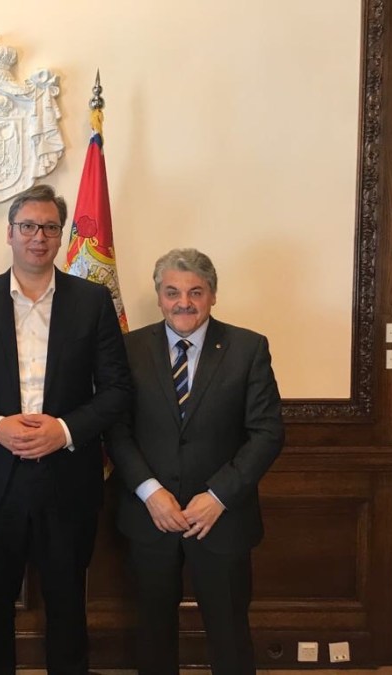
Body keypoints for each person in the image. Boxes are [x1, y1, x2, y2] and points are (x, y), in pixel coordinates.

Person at [0, 184, 132, 674]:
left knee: (67, 607)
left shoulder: (92, 301)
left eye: (49, 227)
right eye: (28, 226)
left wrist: (64, 430)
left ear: (61, 235)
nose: (38, 237)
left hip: (68, 478)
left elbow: (116, 390)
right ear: (9, 233)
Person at [107, 248, 284, 675]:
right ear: (159, 296)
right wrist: (150, 492)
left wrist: (218, 496)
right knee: (153, 634)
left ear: (213, 295)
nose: (183, 302)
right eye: (172, 292)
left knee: (230, 634)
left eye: (195, 292)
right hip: (150, 517)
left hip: (223, 519)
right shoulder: (128, 349)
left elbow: (267, 433)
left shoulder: (248, 348)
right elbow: (115, 430)